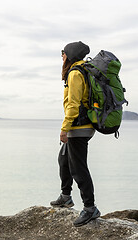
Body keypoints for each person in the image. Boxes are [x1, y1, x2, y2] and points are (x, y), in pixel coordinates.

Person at [50, 41, 100, 227]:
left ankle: (90, 207)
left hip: (78, 127)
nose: (61, 57)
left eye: (63, 54)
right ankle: (66, 196)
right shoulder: (83, 70)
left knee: (78, 168)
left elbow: (73, 104)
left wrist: (65, 128)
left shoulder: (75, 73)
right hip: (81, 125)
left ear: (69, 55)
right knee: (64, 159)